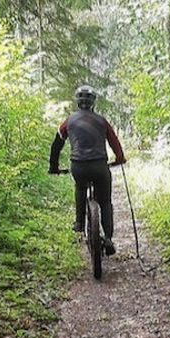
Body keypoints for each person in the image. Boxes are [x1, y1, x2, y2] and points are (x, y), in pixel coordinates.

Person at [49, 85, 126, 255]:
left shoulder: (68, 122)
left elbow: (56, 145)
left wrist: (53, 167)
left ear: (77, 102)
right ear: (93, 103)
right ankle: (108, 238)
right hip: (100, 166)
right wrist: (120, 159)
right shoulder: (102, 121)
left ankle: (79, 223)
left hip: (79, 166)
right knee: (105, 201)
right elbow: (114, 142)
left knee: (80, 187)